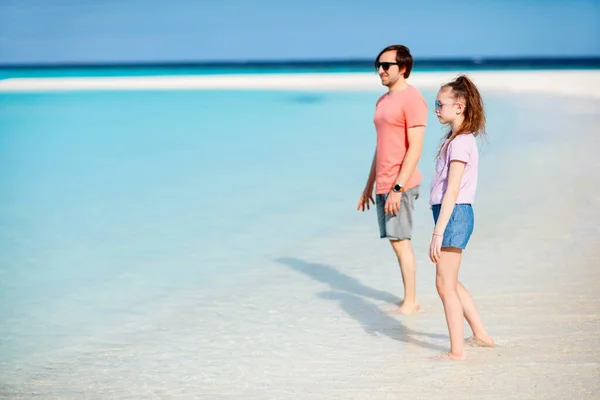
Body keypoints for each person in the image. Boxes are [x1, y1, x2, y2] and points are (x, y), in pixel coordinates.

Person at [357, 45, 427, 315]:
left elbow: (415, 148)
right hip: (384, 181)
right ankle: (408, 298)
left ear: (404, 68)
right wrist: (369, 184)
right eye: (378, 65)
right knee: (395, 241)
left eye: (387, 65)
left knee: (401, 241)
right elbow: (381, 145)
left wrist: (398, 187)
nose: (381, 70)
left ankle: (411, 301)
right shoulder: (382, 101)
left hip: (402, 182)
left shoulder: (413, 99)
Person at [428, 75, 495, 360]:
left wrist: (438, 232)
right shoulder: (456, 139)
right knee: (450, 282)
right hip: (452, 214)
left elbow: (453, 189)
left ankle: (457, 351)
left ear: (459, 106)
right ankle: (481, 336)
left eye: (439, 104)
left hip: (454, 214)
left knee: (444, 285)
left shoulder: (461, 142)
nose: (436, 109)